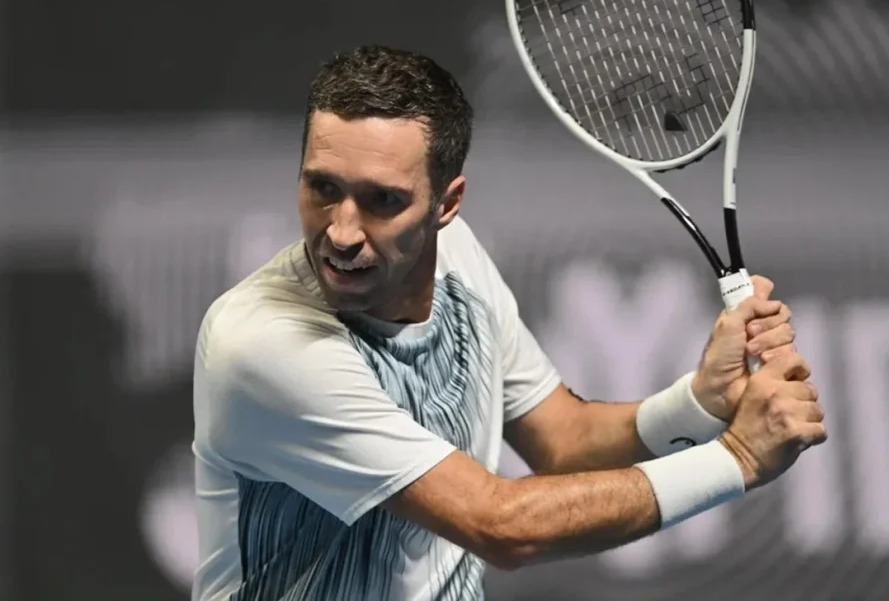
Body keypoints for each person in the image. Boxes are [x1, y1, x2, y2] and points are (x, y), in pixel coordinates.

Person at [191, 44, 826, 601]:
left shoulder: (459, 260)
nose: (342, 232)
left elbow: (563, 440)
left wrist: (700, 401)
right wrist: (738, 457)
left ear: (447, 204)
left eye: (383, 200)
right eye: (323, 188)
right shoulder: (264, 344)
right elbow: (501, 526)